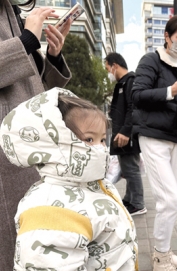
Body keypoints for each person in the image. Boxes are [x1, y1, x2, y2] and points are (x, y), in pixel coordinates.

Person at [0, 88, 138, 270]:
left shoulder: (97, 184)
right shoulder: (49, 211)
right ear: (55, 144)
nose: (101, 148)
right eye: (89, 139)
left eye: (102, 140)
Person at [0, 0, 71, 269]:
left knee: (35, 237)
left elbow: (36, 89)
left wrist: (53, 55)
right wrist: (27, 39)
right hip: (7, 153)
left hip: (31, 148)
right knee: (10, 241)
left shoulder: (11, 10)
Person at [132, 15, 177, 271]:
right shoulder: (151, 60)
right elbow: (137, 95)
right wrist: (174, 90)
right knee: (168, 199)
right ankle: (160, 257)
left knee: (174, 199)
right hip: (154, 137)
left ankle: (166, 250)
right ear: (167, 36)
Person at [105, 52, 146, 216]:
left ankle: (138, 203)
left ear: (114, 65)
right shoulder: (121, 84)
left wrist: (125, 131)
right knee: (128, 169)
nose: (108, 72)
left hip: (127, 134)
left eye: (107, 68)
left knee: (132, 168)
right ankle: (130, 199)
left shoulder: (131, 81)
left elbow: (133, 108)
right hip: (120, 134)